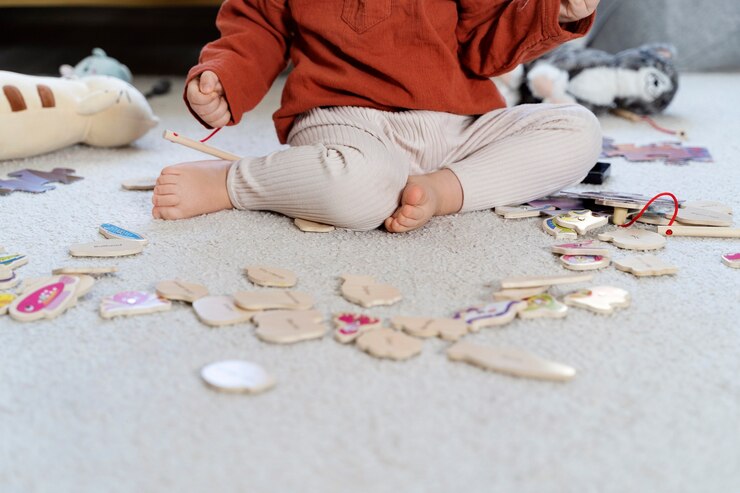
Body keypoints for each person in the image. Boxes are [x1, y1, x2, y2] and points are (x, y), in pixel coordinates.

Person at [152, 0, 602, 233]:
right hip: (348, 120)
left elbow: (488, 44)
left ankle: (441, 189)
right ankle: (234, 182)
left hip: (456, 125)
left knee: (578, 129)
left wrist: (555, 10)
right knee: (359, 188)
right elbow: (257, 27)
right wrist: (223, 79)